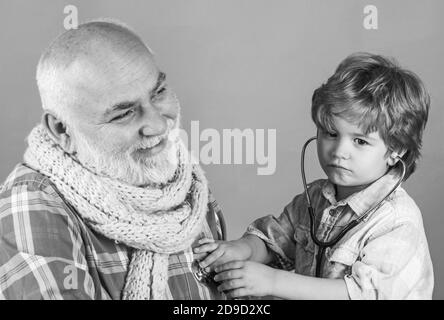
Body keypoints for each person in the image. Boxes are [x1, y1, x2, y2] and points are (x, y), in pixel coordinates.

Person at [0, 19, 226, 300]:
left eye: (159, 93)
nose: (157, 125)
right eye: (124, 114)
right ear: (62, 131)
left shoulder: (186, 184)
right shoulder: (33, 203)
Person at [194, 52, 434, 299]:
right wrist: (241, 249)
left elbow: (364, 294)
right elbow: (275, 240)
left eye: (360, 141)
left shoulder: (397, 221)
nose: (340, 151)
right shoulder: (316, 198)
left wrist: (273, 281)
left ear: (396, 150)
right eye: (331, 133)